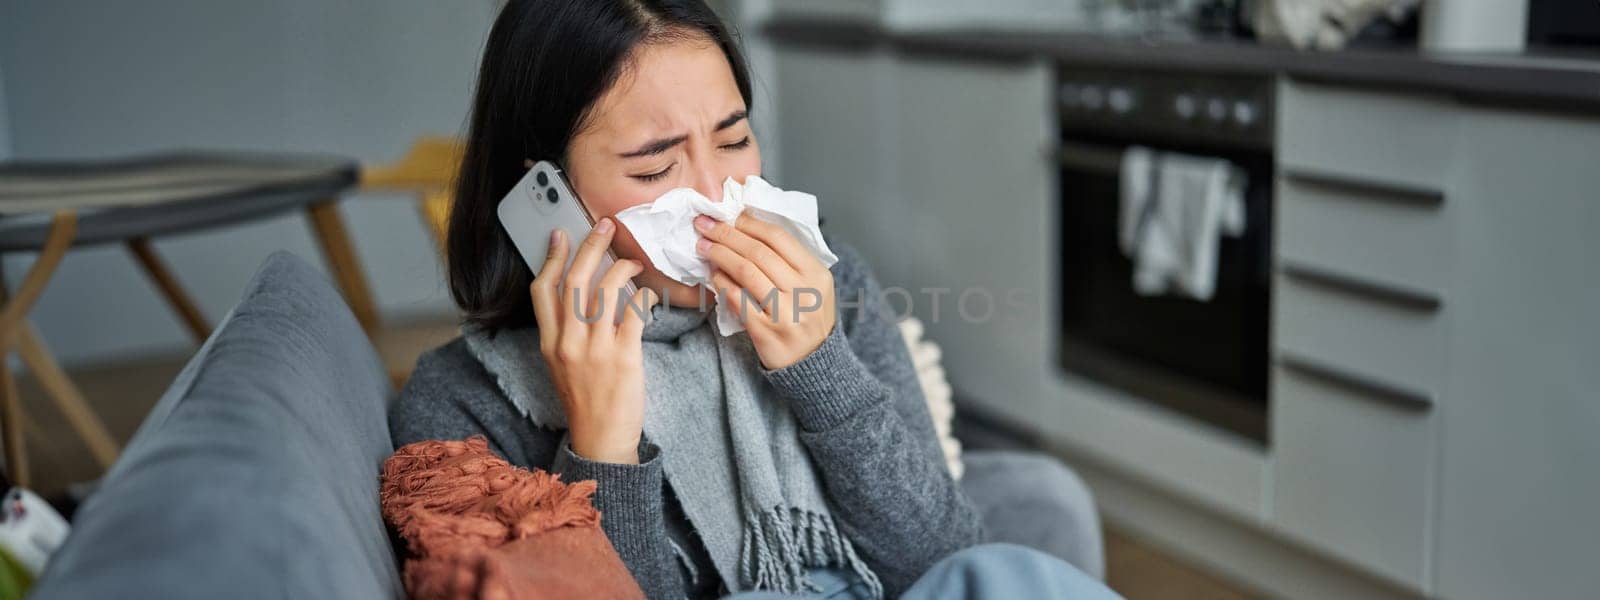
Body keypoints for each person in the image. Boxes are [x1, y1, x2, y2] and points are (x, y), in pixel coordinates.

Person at [389, 1, 1118, 598]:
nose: (717, 198)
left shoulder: (830, 288)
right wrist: (602, 445)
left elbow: (942, 559)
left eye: (734, 141)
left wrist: (819, 368)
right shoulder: (463, 404)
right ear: (542, 194)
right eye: (655, 168)